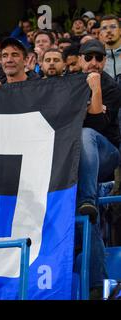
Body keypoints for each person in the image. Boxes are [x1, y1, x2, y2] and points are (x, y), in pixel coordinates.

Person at [75, 39, 121, 298]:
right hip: (76, 162)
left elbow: (98, 123)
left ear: (104, 61)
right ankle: (96, 287)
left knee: (86, 134)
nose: (93, 62)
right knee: (86, 218)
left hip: (107, 154)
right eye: (88, 57)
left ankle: (88, 199)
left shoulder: (111, 87)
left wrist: (95, 90)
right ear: (80, 60)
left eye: (99, 58)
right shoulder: (68, 85)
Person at [99, 15, 121, 81]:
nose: (108, 31)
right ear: (100, 34)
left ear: (120, 31)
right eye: (104, 28)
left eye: (113, 27)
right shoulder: (95, 58)